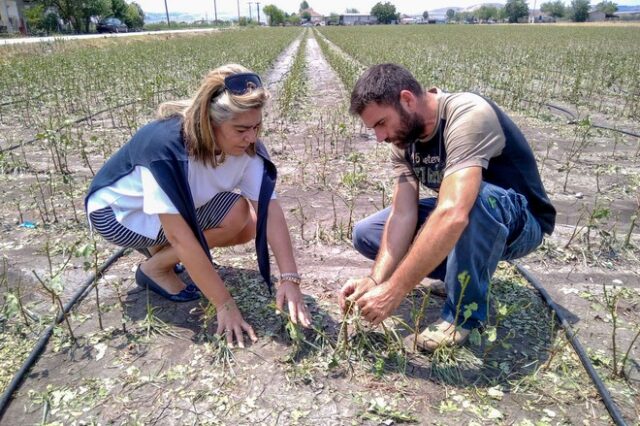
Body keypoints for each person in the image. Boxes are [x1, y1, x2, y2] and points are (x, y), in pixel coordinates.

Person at [85, 64, 311, 348]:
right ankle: (155, 268)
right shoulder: (167, 149)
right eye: (241, 129)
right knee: (216, 225)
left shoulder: (248, 150)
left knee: (249, 220)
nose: (251, 137)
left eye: (256, 127)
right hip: (120, 216)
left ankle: (162, 255)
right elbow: (181, 236)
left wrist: (290, 279)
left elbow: (271, 213)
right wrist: (224, 304)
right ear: (209, 122)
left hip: (170, 209)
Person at [338, 63, 556, 352]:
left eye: (381, 123)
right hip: (468, 213)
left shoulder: (467, 115)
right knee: (368, 232)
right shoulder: (404, 141)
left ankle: (462, 316)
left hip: (520, 221)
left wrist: (395, 290)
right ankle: (458, 275)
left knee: (469, 202)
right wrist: (376, 279)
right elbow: (403, 214)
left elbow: (453, 213)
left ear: (406, 99)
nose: (380, 137)